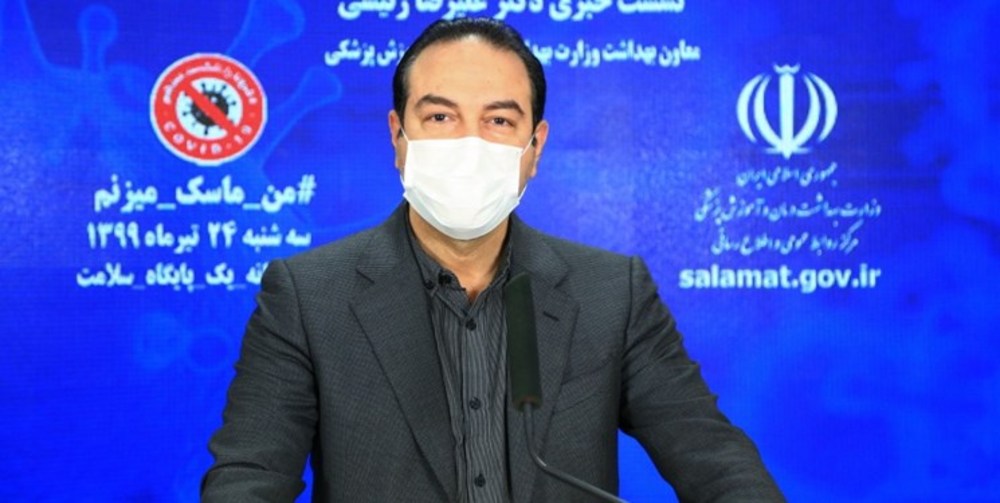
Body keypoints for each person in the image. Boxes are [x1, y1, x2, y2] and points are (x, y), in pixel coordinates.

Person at [202, 18, 783, 502]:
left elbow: (713, 458)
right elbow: (249, 477)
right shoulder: (308, 297)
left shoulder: (612, 293)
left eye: (499, 121)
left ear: (536, 148)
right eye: (440, 117)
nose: (468, 144)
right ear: (398, 137)